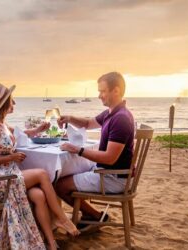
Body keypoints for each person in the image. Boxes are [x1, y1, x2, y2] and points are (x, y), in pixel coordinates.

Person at [0, 83, 79, 250]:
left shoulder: (2, 125)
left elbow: (23, 134)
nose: (14, 103)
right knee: (42, 174)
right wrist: (11, 157)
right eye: (12, 100)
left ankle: (51, 242)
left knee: (38, 195)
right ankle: (61, 218)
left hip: (9, 175)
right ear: (4, 103)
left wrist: (39, 128)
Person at [55, 71, 135, 229]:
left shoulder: (121, 119)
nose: (99, 95)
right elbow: (87, 123)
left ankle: (95, 215)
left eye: (103, 91)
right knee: (65, 174)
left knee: (59, 185)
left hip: (115, 178)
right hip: (113, 172)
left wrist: (78, 150)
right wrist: (70, 118)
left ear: (116, 90)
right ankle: (88, 214)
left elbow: (110, 158)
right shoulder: (111, 113)